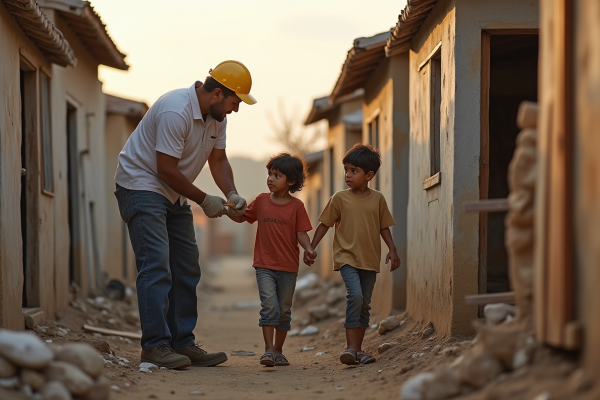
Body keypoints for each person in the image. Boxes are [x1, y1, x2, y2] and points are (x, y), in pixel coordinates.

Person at [114, 61, 256, 369]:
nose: (236, 110)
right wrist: (205, 200)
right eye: (235, 103)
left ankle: (182, 343)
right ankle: (155, 346)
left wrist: (231, 192)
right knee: (156, 264)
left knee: (187, 266)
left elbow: (218, 161)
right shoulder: (175, 110)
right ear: (217, 93)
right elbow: (165, 169)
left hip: (173, 191)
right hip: (141, 185)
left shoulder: (217, 119)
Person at [305, 144, 401, 365]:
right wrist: (312, 246)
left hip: (370, 259)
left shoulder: (378, 199)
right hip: (346, 257)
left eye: (354, 171)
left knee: (365, 304)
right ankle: (350, 348)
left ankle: (358, 350)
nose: (348, 175)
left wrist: (392, 249)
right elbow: (324, 224)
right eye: (346, 170)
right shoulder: (339, 198)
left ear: (369, 175)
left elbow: (383, 226)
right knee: (355, 296)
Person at [227, 153, 315, 367]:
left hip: (288, 267)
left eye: (277, 175)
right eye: (269, 174)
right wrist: (226, 209)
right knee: (269, 307)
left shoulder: (297, 207)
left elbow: (301, 233)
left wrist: (309, 249)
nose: (270, 178)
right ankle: (267, 351)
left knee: (284, 310)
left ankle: (278, 350)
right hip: (264, 265)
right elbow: (243, 217)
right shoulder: (261, 201)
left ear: (291, 181)